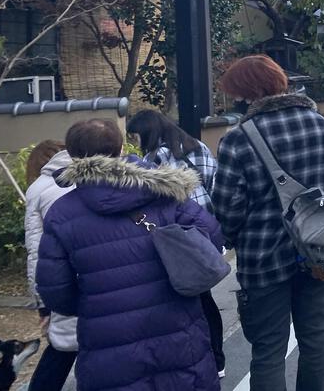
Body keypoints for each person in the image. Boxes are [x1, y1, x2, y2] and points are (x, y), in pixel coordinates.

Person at [37, 119, 222, 391]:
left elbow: (55, 290)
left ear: (73, 156)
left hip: (107, 337)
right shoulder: (165, 194)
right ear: (121, 149)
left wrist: (95, 303)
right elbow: (212, 238)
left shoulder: (61, 214)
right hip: (177, 326)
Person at [213, 54, 324, 390]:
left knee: (269, 348)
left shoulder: (239, 138)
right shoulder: (321, 125)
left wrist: (231, 238)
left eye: (236, 94)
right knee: (315, 341)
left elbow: (227, 208)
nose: (235, 101)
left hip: (263, 259)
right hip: (318, 253)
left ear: (248, 92)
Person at [126, 110, 223, 376]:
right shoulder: (198, 146)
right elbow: (215, 183)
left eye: (136, 135)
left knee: (188, 298)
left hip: (177, 234)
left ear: (147, 132)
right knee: (205, 295)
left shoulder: (152, 158)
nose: (135, 141)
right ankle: (218, 356)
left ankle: (196, 356)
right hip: (205, 228)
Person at [25, 140, 77, 391]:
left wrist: (42, 303)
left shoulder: (38, 189)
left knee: (61, 347)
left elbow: (36, 252)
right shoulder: (93, 178)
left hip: (60, 279)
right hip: (98, 274)